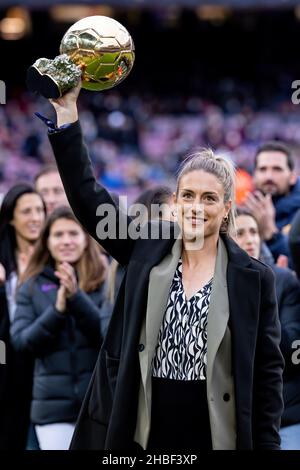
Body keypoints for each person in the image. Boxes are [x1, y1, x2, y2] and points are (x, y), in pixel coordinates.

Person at [41, 82, 284, 450]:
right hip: (142, 431)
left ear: (226, 208)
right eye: (187, 195)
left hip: (215, 434)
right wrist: (68, 119)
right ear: (175, 200)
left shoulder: (253, 277)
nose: (196, 206)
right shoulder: (147, 245)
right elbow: (89, 200)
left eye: (209, 198)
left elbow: (267, 376)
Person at [11, 206, 108, 450]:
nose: (66, 241)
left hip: (99, 407)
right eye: (58, 235)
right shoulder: (31, 286)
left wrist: (76, 298)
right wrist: (57, 310)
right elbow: (22, 343)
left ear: (86, 239)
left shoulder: (106, 280)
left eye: (73, 234)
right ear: (47, 241)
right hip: (52, 413)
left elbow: (109, 336)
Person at [234, 209, 300, 450]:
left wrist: (253, 317)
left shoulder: (283, 280)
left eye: (254, 231)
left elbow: (293, 346)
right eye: (240, 233)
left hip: (284, 413)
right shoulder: (215, 283)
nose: (250, 239)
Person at [0, 183, 46, 449]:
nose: (35, 217)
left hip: (42, 368)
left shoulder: (55, 258)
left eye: (39, 210)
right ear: (11, 219)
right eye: (26, 211)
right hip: (7, 368)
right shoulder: (3, 262)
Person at [244, 141, 300, 262]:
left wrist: (272, 235)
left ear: (292, 177)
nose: (269, 176)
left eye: (277, 169)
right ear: (254, 176)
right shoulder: (244, 211)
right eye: (263, 169)